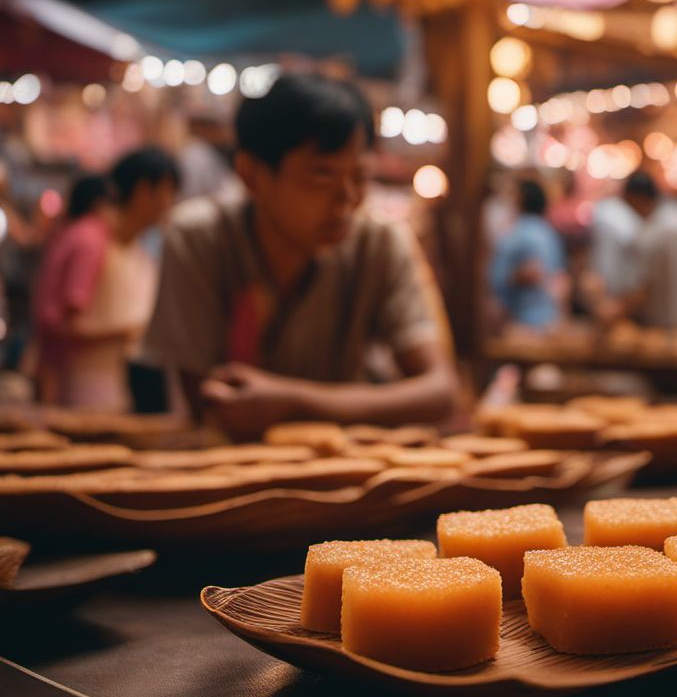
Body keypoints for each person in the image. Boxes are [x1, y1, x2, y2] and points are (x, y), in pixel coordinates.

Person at [144, 72, 457, 438]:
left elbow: (440, 391)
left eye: (359, 176)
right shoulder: (199, 239)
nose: (347, 199)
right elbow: (209, 404)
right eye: (322, 175)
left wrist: (293, 401)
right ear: (252, 175)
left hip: (345, 471)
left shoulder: (380, 243)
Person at [33, 150, 180, 411]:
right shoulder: (91, 240)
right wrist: (130, 332)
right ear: (143, 191)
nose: (171, 202)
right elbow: (62, 325)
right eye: (168, 191)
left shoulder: (129, 246)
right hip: (79, 391)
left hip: (114, 386)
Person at [601, 170, 677, 330]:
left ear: (636, 199)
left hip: (675, 328)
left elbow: (650, 285)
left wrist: (617, 310)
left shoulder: (665, 230)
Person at [488, 178, 566, 329]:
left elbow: (497, 280)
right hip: (550, 319)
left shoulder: (515, 234)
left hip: (519, 321)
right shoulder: (549, 233)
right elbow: (559, 278)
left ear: (520, 200)